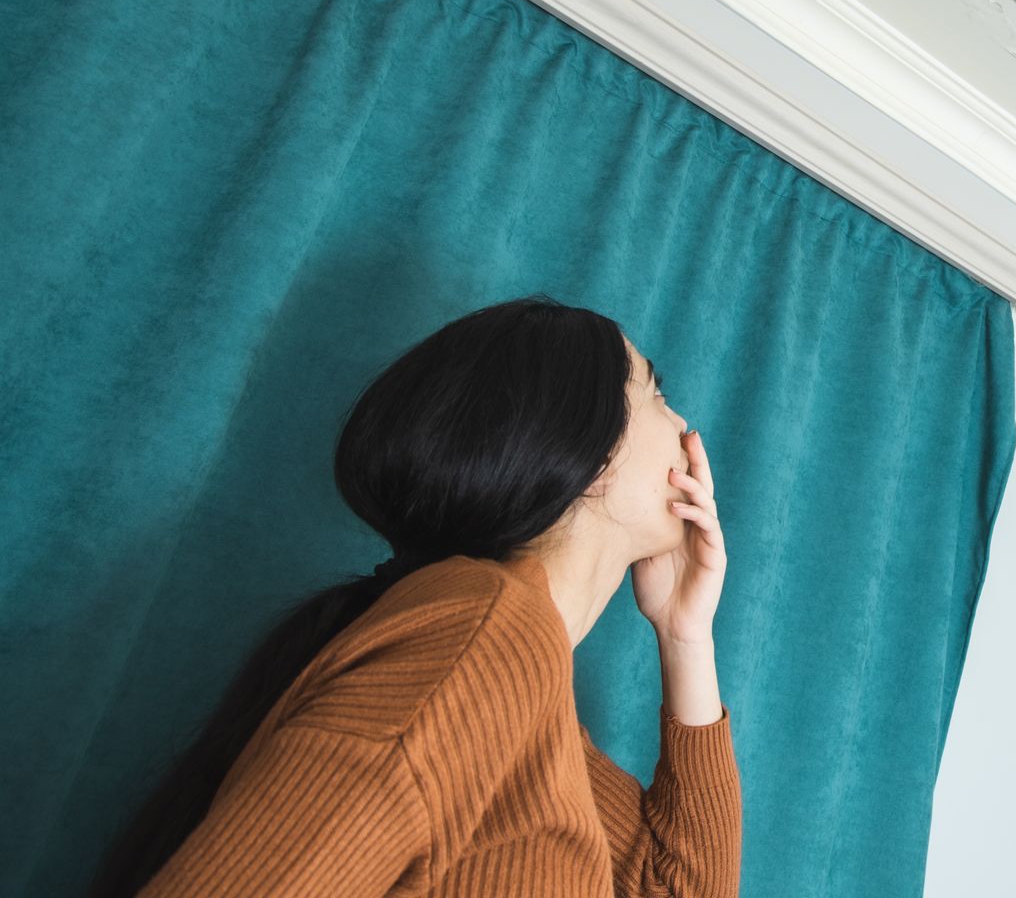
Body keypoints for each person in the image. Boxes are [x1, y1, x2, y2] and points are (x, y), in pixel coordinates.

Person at [86, 294, 742, 896]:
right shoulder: (488, 634)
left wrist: (686, 636)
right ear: (595, 456)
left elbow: (676, 887)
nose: (684, 422)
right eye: (656, 393)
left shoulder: (524, 697)